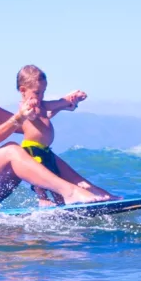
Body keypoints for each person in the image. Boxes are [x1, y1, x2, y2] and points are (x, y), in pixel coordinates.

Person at [0, 48, 108, 212]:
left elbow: (26, 127)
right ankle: (69, 192)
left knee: (35, 148)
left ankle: (90, 190)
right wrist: (19, 116)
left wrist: (60, 106)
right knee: (11, 150)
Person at [15, 65, 122, 206]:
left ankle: (60, 203)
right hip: (32, 148)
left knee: (54, 176)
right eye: (37, 92)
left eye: (43, 92)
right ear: (23, 90)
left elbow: (58, 104)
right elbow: (32, 116)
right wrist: (34, 110)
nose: (40, 97)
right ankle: (43, 200)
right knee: (40, 178)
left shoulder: (42, 105)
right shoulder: (25, 107)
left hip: (45, 149)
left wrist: (73, 99)